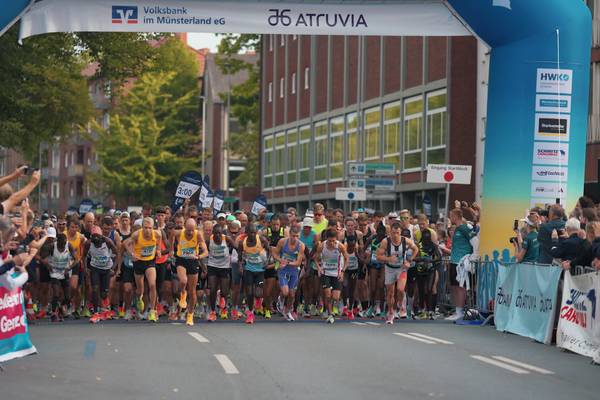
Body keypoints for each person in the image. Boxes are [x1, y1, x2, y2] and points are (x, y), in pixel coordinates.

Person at [377, 222, 418, 324]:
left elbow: (416, 249)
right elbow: (378, 256)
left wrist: (409, 261)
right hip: (390, 269)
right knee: (390, 293)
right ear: (390, 232)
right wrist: (388, 258)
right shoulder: (385, 242)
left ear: (400, 233)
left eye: (397, 233)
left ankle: (400, 304)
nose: (395, 235)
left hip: (401, 268)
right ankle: (391, 311)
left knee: (400, 289)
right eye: (393, 233)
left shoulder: (406, 241)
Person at [171, 218, 208, 326]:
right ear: (185, 228)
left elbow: (205, 251)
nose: (190, 232)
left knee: (192, 291)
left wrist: (198, 256)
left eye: (192, 230)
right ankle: (183, 292)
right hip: (181, 260)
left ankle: (190, 315)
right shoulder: (179, 233)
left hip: (193, 262)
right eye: (188, 230)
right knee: (183, 281)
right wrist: (171, 250)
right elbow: (172, 235)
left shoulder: (198, 235)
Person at [124, 217, 162, 322]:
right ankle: (139, 298)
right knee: (140, 290)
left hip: (150, 262)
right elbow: (126, 244)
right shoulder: (136, 235)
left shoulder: (157, 234)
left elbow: (160, 239)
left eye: (150, 228)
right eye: (145, 228)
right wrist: (132, 253)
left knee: (152, 284)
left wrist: (158, 249)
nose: (148, 230)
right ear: (142, 227)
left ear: (153, 227)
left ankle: (153, 311)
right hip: (139, 262)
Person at [82, 226, 119, 323]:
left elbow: (117, 254)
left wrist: (113, 268)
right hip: (95, 268)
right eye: (94, 236)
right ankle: (95, 312)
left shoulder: (107, 242)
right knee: (94, 289)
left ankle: (105, 309)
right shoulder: (88, 243)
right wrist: (85, 268)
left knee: (104, 293)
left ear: (101, 236)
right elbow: (84, 256)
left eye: (98, 236)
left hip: (106, 269)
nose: (96, 239)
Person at [314, 229, 349, 324]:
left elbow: (346, 259)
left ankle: (333, 307)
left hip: (336, 273)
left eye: (334, 241)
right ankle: (330, 313)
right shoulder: (322, 246)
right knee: (328, 294)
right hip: (325, 273)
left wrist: (342, 272)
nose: (332, 243)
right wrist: (319, 268)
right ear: (326, 239)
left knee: (336, 297)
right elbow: (316, 258)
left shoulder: (340, 246)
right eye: (330, 241)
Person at [238, 224, 270, 324]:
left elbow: (270, 251)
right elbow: (239, 256)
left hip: (260, 270)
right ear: (246, 233)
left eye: (254, 232)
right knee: (250, 293)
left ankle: (258, 300)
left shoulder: (262, 240)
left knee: (258, 293)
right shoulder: (242, 243)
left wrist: (267, 262)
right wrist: (240, 266)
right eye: (250, 232)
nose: (252, 234)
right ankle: (250, 313)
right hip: (249, 270)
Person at [272, 226, 305, 321]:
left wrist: (287, 262)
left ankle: (288, 311)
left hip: (294, 270)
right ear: (289, 234)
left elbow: (298, 262)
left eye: (297, 236)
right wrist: (280, 260)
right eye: (293, 236)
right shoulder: (282, 242)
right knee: (285, 292)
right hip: (283, 270)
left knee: (292, 294)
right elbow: (275, 253)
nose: (294, 238)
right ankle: (281, 299)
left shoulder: (301, 245)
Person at [446, 208, 474, 321]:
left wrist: (473, 255)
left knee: (460, 287)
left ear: (456, 216)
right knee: (453, 286)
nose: (450, 218)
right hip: (454, 261)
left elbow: (474, 240)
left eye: (451, 216)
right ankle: (457, 310)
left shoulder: (464, 228)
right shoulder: (456, 229)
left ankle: (460, 311)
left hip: (461, 262)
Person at [206, 224, 236, 321]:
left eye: (220, 233)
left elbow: (236, 247)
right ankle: (213, 312)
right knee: (212, 289)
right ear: (213, 233)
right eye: (216, 233)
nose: (218, 235)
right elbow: (204, 251)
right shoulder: (209, 240)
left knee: (224, 291)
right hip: (212, 265)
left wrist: (237, 259)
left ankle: (223, 302)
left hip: (224, 267)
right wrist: (203, 266)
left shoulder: (227, 239)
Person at [47, 233, 77, 322]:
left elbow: (76, 259)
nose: (63, 245)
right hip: (55, 273)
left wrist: (69, 268)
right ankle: (53, 313)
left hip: (65, 272)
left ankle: (60, 308)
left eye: (65, 243)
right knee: (56, 294)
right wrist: (48, 265)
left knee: (67, 297)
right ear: (58, 242)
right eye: (62, 243)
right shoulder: (52, 246)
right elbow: (43, 257)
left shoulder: (69, 245)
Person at [364, 222, 387, 318]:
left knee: (381, 286)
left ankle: (382, 309)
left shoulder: (387, 240)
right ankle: (371, 307)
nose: (381, 234)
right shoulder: (371, 238)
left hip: (383, 265)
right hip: (373, 265)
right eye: (379, 232)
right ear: (377, 231)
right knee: (373, 288)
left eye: (383, 232)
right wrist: (365, 261)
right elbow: (363, 249)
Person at [66, 216, 86, 319]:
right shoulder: (63, 236)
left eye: (76, 227)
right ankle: (67, 304)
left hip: (76, 264)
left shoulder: (81, 237)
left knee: (76, 288)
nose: (74, 229)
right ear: (68, 227)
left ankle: (76, 308)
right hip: (64, 264)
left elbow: (85, 247)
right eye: (72, 227)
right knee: (67, 287)